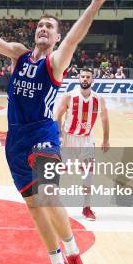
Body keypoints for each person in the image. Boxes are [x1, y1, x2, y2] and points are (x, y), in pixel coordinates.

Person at [0, 0, 118, 264]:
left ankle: (74, 253)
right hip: (15, 141)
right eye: (40, 25)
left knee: (48, 196)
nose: (43, 29)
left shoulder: (56, 62)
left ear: (56, 37)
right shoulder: (20, 54)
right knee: (35, 207)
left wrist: (95, 3)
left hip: (44, 136)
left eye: (50, 27)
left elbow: (76, 38)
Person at [54, 68, 109, 221]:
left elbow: (104, 119)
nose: (85, 79)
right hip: (68, 138)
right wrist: (58, 135)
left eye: (88, 77)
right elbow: (57, 115)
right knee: (61, 172)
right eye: (83, 76)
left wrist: (106, 139)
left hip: (86, 139)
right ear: (78, 78)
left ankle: (86, 207)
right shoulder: (69, 96)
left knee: (88, 175)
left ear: (92, 80)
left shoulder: (98, 99)